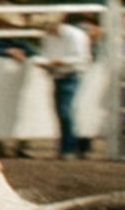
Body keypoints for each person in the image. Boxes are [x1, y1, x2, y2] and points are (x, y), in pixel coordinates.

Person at [32, 13, 91, 159]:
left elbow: (80, 57)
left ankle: (69, 147)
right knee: (64, 112)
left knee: (64, 111)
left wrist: (59, 61)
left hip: (71, 74)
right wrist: (48, 63)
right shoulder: (51, 37)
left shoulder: (75, 35)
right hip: (60, 75)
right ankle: (73, 146)